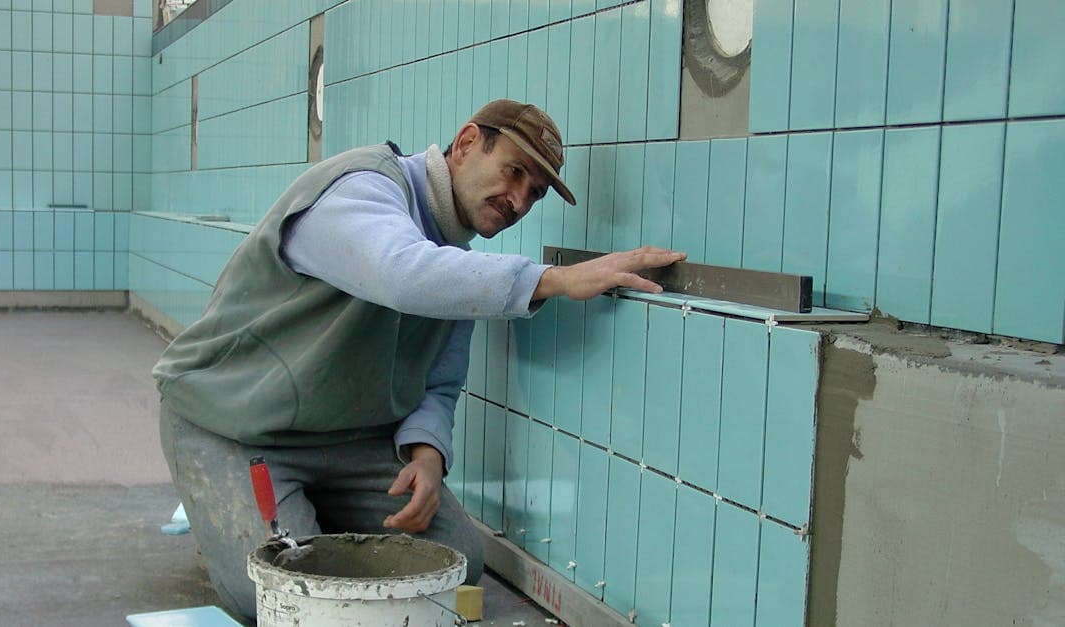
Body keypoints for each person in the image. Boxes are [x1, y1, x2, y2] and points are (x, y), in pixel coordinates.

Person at [151, 99, 686, 619]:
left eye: (534, 193)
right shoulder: (359, 187)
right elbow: (401, 273)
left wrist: (427, 457)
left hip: (348, 444)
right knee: (278, 592)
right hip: (234, 427)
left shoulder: (458, 268)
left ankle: (311, 527)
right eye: (514, 171)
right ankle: (234, 525)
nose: (519, 200)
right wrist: (557, 279)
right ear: (467, 142)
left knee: (457, 562)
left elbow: (440, 384)